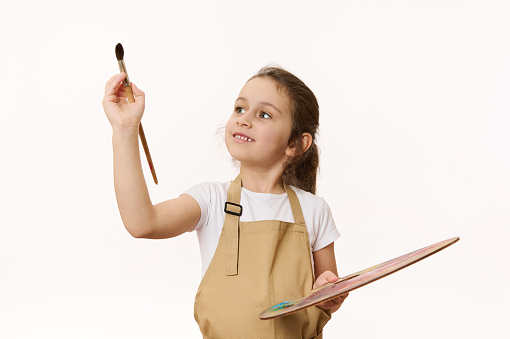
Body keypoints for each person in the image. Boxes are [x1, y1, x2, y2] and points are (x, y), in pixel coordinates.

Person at [102, 66, 348, 338]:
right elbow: (142, 223)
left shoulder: (314, 210)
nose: (244, 120)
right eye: (240, 109)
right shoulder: (210, 200)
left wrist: (329, 295)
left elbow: (326, 298)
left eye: (264, 114)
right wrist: (125, 129)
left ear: (296, 143)